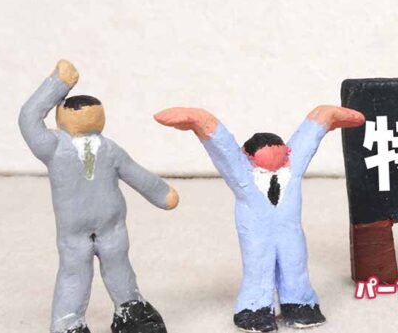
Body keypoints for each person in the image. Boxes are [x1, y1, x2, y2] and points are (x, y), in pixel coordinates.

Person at [154, 104, 364, 332]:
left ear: (287, 153)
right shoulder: (244, 174)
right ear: (248, 157)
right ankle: (255, 309)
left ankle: (300, 304)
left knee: (295, 264)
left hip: (290, 233)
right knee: (258, 269)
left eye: (281, 157)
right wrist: (201, 121)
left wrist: (324, 116)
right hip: (257, 235)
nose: (278, 163)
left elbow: (306, 139)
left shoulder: (291, 169)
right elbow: (224, 150)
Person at [19, 60, 178, 333]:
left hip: (112, 227)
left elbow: (136, 173)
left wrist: (162, 193)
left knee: (120, 269)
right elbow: (28, 118)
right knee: (74, 275)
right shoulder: (53, 147)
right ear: (61, 116)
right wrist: (59, 83)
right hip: (74, 234)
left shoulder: (109, 149)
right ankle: (68, 323)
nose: (87, 115)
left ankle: (131, 312)